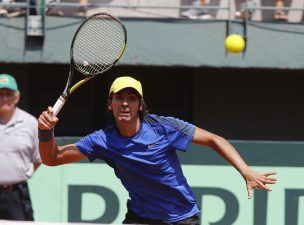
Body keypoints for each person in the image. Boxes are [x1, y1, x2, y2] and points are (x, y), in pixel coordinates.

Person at [38, 76, 277, 225]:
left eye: (132, 98)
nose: (125, 103)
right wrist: (45, 132)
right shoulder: (102, 140)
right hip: (141, 218)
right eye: (119, 97)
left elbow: (215, 139)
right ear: (109, 105)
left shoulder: (164, 127)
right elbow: (52, 158)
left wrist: (245, 171)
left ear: (140, 105)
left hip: (182, 217)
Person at [0, 73, 41, 221]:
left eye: (8, 94)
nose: (4, 98)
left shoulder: (30, 123)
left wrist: (24, 174)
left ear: (16, 97)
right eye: (1, 94)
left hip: (16, 195)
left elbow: (38, 159)